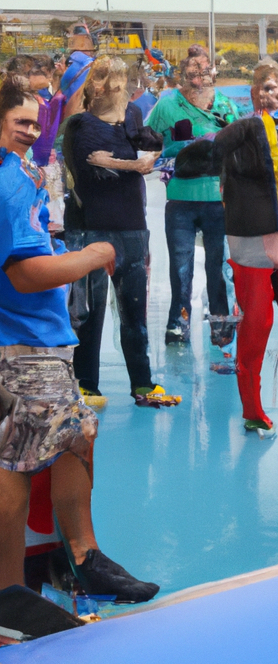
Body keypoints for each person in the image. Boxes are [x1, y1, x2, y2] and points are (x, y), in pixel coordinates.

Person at [0, 77, 158, 600]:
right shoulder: (12, 181)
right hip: (24, 339)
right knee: (19, 460)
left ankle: (77, 558)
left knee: (74, 436)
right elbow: (26, 272)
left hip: (32, 336)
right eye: (20, 121)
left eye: (35, 120)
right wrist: (92, 256)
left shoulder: (22, 171)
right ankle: (14, 592)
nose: (30, 130)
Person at [179, 60, 278, 432]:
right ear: (252, 92)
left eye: (274, 87)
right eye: (261, 88)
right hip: (251, 240)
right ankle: (252, 409)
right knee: (258, 324)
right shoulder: (241, 131)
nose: (268, 94)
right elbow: (198, 158)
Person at [62, 58, 177, 407]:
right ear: (100, 86)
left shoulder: (131, 118)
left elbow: (149, 144)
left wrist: (152, 152)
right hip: (92, 229)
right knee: (90, 312)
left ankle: (143, 383)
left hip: (131, 228)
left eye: (124, 80)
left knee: (134, 310)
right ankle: (85, 383)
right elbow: (89, 163)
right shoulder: (80, 126)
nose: (122, 88)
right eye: (116, 81)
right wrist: (133, 165)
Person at [143, 55, 238, 347]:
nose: (198, 76)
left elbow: (240, 143)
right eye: (192, 70)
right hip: (180, 198)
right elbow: (148, 140)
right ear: (182, 72)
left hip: (218, 200)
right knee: (180, 267)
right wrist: (179, 149)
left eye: (203, 69)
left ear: (213, 71)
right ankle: (178, 323)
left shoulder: (226, 105)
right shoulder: (167, 104)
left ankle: (221, 324)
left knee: (218, 265)